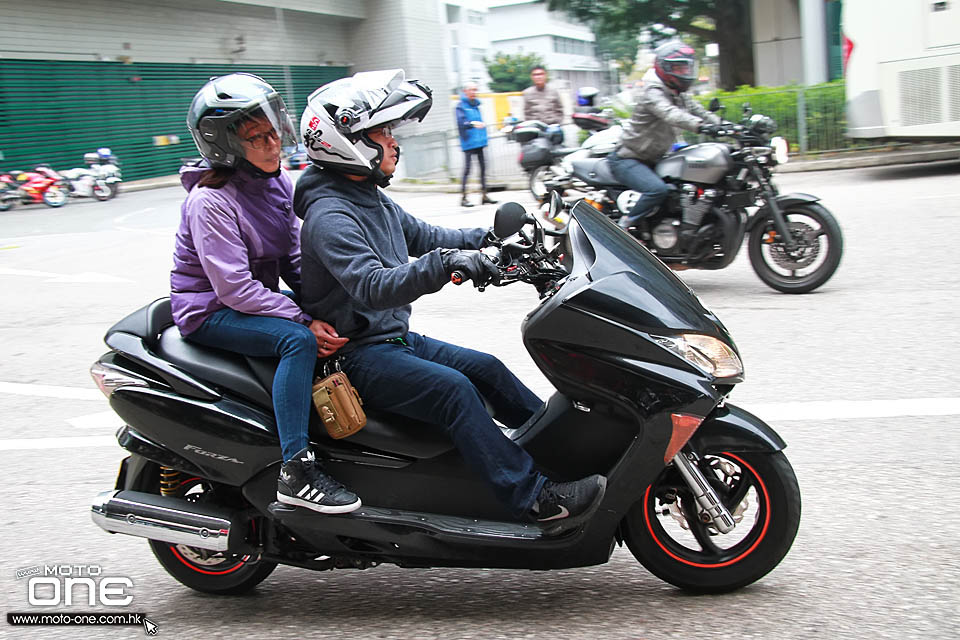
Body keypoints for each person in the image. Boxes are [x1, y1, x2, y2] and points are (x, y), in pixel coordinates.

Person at [294, 69, 605, 527]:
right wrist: (447, 263)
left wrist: (496, 238)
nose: (395, 143)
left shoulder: (367, 197)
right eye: (383, 133)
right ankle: (534, 497)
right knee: (453, 392)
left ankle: (562, 457)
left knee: (487, 369)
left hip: (390, 340)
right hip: (356, 357)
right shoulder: (330, 214)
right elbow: (373, 286)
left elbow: (426, 234)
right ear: (347, 142)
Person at [171, 72, 361, 515]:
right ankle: (295, 468)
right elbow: (234, 288)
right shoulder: (210, 202)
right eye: (257, 138)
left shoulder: (276, 182)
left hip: (252, 299)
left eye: (273, 131)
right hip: (210, 309)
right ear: (229, 149)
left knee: (334, 319)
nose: (273, 144)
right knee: (296, 341)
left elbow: (295, 257)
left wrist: (331, 301)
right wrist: (301, 320)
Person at [608, 40, 722, 243]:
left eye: (686, 66)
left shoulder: (679, 94)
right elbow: (672, 115)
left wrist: (723, 126)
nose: (684, 71)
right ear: (665, 68)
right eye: (679, 67)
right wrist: (701, 126)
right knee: (656, 189)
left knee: (680, 187)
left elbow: (699, 111)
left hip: (654, 158)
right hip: (629, 158)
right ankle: (623, 228)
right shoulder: (653, 92)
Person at [455, 82, 496, 208]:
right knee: (468, 169)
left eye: (475, 90)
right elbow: (461, 122)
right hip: (469, 141)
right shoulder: (461, 106)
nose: (474, 92)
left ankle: (484, 195)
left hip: (479, 141)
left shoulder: (476, 105)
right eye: (471, 90)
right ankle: (463, 197)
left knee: (483, 168)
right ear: (465, 91)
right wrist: (473, 124)